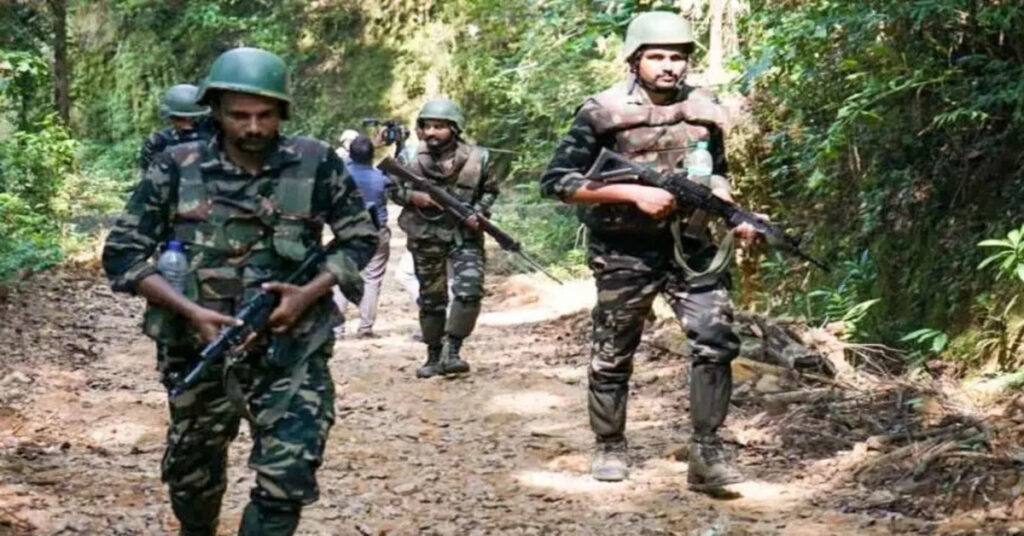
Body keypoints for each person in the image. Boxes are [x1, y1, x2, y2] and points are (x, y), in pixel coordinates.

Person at [102, 47, 377, 535]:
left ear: (282, 113)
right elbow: (122, 253)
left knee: (287, 481)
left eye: (265, 115)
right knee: (192, 479)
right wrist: (189, 311)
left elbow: (359, 238)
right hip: (197, 352)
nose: (253, 127)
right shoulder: (176, 166)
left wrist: (307, 293)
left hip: (292, 351)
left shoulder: (314, 163)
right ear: (215, 112)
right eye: (239, 115)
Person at [539, 11, 761, 490]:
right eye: (656, 56)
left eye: (677, 57)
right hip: (624, 249)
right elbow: (557, 182)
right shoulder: (601, 112)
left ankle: (706, 452)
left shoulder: (704, 109)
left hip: (694, 246)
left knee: (716, 339)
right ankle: (610, 444)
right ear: (635, 59)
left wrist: (731, 212)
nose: (668, 66)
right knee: (614, 347)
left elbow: (714, 172)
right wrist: (632, 194)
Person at [389, 98, 498, 378]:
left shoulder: (478, 157)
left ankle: (454, 350)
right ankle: (433, 354)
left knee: (469, 291)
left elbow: (490, 190)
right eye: (427, 126)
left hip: (465, 234)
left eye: (440, 126)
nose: (432, 132)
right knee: (431, 299)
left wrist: (480, 212)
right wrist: (415, 197)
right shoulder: (408, 157)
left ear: (455, 128)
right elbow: (392, 188)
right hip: (426, 235)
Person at [334, 135, 392, 338]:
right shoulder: (381, 178)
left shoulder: (342, 176)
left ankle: (337, 328)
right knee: (372, 278)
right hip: (377, 231)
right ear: (372, 155)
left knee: (341, 275)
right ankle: (365, 327)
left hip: (347, 231)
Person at [139, 84, 215, 173]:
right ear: (171, 118)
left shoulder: (214, 137)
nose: (186, 126)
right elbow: (148, 179)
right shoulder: (158, 142)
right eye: (180, 119)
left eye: (192, 119)